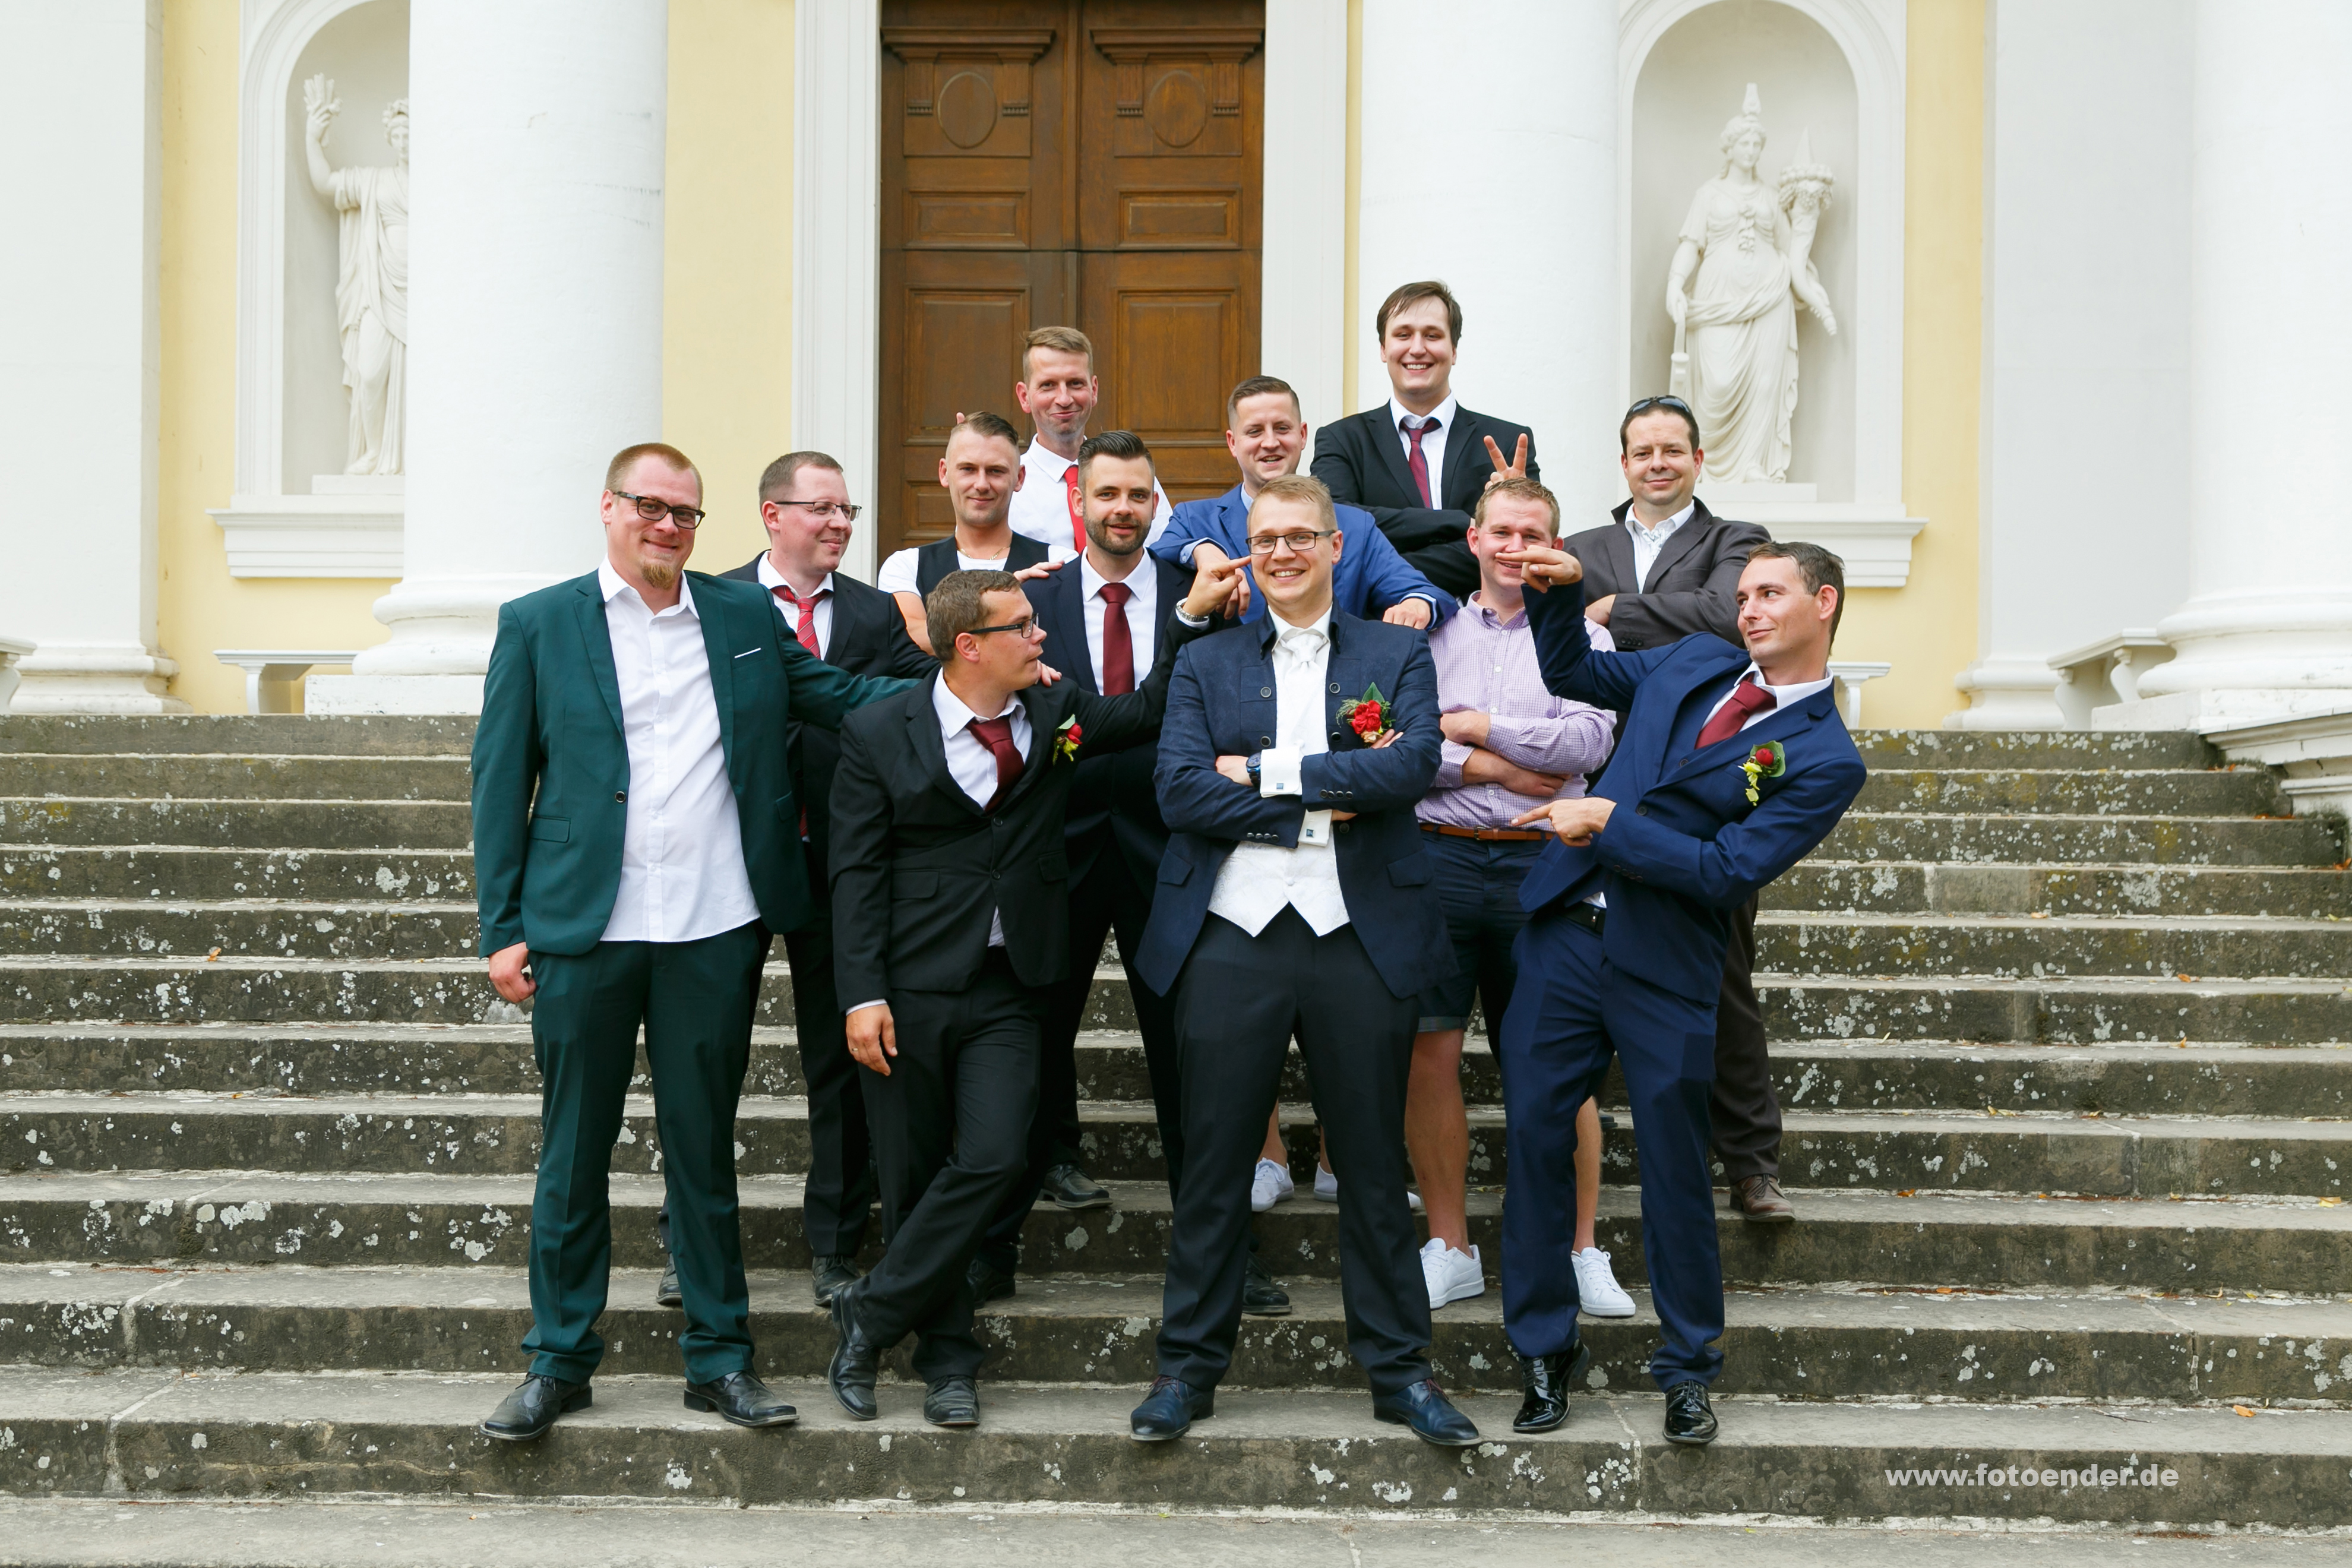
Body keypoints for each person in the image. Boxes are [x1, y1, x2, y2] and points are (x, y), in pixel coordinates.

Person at [469, 442, 916, 1443]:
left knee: (704, 1153)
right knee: (572, 1152)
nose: (669, 527)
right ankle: (557, 1361)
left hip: (713, 925)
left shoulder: (742, 615)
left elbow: (838, 698)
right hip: (584, 926)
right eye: (651, 507)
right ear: (609, 507)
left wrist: (965, 685)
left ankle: (720, 1358)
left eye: (686, 514)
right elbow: (500, 782)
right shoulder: (540, 623)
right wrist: (504, 927)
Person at [821, 564, 1223, 1429]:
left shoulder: (1055, 709)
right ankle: (947, 1362)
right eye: (1025, 627)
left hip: (1015, 981)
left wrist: (1190, 617)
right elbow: (853, 874)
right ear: (969, 646)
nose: (1042, 637)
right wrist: (861, 996)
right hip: (909, 986)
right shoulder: (877, 729)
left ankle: (871, 1311)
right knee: (913, 1178)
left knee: (1000, 1156)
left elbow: (1147, 709)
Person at [1125, 474, 1480, 1450]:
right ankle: (1185, 1371)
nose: (1281, 552)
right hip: (1230, 932)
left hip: (1358, 932)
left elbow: (1408, 768)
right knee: (1213, 1165)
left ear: (1335, 547)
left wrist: (1267, 773)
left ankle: (1402, 1373)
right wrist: (1321, 797)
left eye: (1299, 536)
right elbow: (1180, 791)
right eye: (1266, 537)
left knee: (1370, 1164)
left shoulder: (1395, 653)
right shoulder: (1205, 660)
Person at [1494, 536, 1867, 1450]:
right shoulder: (1697, 659)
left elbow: (1726, 868)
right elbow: (1575, 671)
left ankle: (1689, 1369)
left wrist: (1609, 823)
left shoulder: (1826, 757)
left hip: (1669, 960)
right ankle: (1543, 1349)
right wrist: (1557, 594)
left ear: (1823, 603)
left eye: (1769, 593)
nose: (1749, 610)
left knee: (1673, 1169)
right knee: (1535, 1141)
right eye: (1743, 596)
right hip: (1566, 935)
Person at [970, 431, 1292, 1313]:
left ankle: (1224, 1252)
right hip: (1053, 856)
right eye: (1106, 493)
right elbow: (1043, 721)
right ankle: (991, 1249)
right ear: (1077, 502)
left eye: (1138, 495)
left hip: (1174, 855)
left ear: (1158, 504)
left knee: (1196, 1063)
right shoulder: (1031, 601)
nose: (1122, 509)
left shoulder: (1210, 596)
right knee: (1028, 1058)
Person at [1560, 396, 1787, 1224]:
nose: (1657, 463)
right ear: (1623, 463)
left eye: (1672, 449)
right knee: (1580, 965)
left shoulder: (1736, 541)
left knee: (1722, 976)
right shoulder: (1580, 548)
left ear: (1698, 459)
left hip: (1704, 783)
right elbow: (1552, 638)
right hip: (1597, 777)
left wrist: (1610, 611)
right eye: (1642, 451)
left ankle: (1752, 1163)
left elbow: (1728, 620)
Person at [1408, 477, 1629, 1320]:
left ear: (1555, 548)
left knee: (1559, 1061)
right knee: (1428, 1052)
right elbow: (1400, 742)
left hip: (1547, 864)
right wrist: (1495, 763)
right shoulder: (1430, 630)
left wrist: (1476, 727)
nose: (1515, 547)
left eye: (1532, 535)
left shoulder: (1584, 636)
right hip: (1438, 858)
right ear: (1474, 539)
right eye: (1501, 531)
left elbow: (1588, 741)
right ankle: (1451, 1247)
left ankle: (1579, 1249)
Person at [1152, 374, 1456, 633]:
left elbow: (1425, 593)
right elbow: (1154, 555)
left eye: (1282, 429)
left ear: (1302, 435)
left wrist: (1417, 605)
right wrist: (1202, 550)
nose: (1270, 442)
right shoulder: (1195, 520)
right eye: (1255, 431)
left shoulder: (1355, 526)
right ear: (1233, 443)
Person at [1310, 281, 1539, 600]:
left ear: (1454, 350)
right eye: (1403, 335)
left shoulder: (1507, 443)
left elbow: (1521, 551)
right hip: (1383, 623)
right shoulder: (1342, 441)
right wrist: (1459, 523)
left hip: (1485, 621)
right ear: (1383, 349)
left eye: (1432, 335)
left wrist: (1378, 565)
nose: (1417, 349)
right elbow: (1337, 528)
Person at [877, 412, 1072, 653]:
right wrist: (1004, 599)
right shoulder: (906, 567)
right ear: (944, 473)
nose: (981, 485)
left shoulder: (1059, 562)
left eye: (996, 471)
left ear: (1019, 478)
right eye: (968, 469)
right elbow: (910, 638)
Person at [1005, 325, 1174, 553]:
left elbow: (1166, 550)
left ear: (1094, 390)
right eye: (1048, 385)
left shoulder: (1133, 474)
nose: (1064, 399)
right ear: (1025, 397)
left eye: (1075, 383)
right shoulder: (1008, 487)